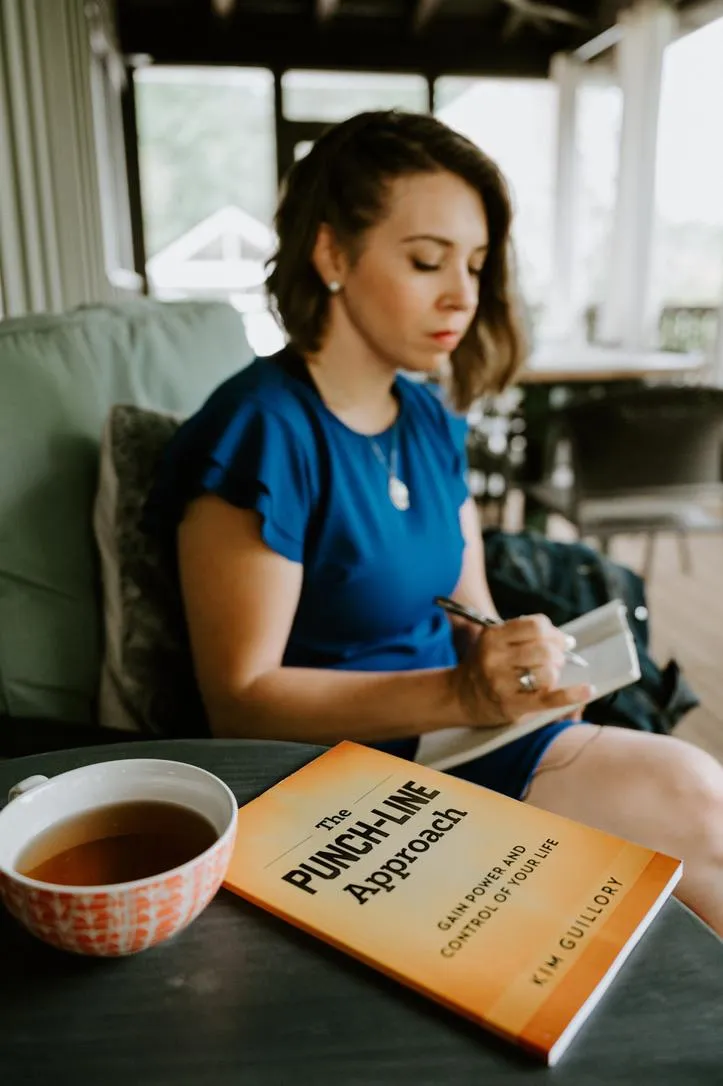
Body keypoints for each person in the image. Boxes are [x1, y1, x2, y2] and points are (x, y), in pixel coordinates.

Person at [147, 110, 723, 935]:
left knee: (692, 800)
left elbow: (469, 611)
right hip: (342, 776)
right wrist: (460, 691)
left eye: (477, 264)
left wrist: (510, 662)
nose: (463, 293)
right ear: (333, 254)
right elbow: (239, 700)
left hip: (460, 735)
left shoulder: (425, 419)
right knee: (688, 802)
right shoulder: (262, 432)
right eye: (426, 261)